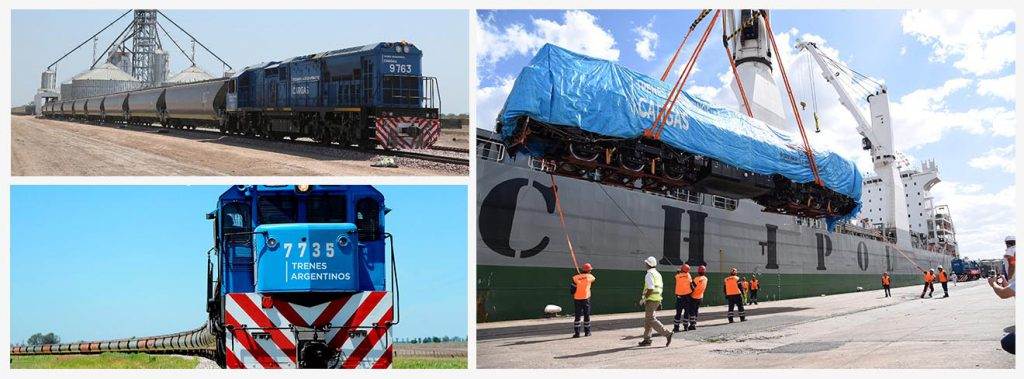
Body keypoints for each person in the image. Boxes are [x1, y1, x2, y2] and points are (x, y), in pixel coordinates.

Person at [989, 236, 1016, 355]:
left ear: (1006, 243)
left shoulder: (1010, 251)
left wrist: (993, 283)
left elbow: (1003, 294)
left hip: (1014, 281)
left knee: (1007, 342)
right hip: (1013, 283)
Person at [638, 256, 672, 347]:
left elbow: (651, 288)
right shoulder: (658, 274)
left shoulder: (649, 274)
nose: (645, 264)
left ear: (648, 264)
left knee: (650, 319)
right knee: (648, 320)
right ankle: (647, 339)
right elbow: (659, 288)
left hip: (651, 300)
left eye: (646, 263)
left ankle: (667, 334)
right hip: (656, 299)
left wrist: (643, 299)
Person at [571, 263, 596, 338]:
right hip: (586, 298)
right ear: (589, 270)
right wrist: (584, 276)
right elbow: (593, 279)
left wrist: (580, 276)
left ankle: (577, 333)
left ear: (582, 269)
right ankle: (587, 332)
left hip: (577, 299)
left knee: (577, 316)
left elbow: (572, 290)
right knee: (586, 315)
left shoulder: (575, 278)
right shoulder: (590, 277)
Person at [672, 264, 693, 333]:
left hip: (679, 297)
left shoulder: (677, 276)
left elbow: (676, 277)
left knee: (678, 313)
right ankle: (685, 327)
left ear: (682, 269)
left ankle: (676, 327)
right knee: (686, 312)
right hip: (687, 297)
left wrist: (678, 272)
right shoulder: (688, 275)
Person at [687, 265, 708, 330]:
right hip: (700, 297)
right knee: (696, 310)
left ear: (698, 271)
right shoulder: (706, 279)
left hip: (693, 297)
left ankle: (692, 325)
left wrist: (690, 282)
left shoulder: (696, 279)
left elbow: (692, 287)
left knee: (691, 311)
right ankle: (694, 323)